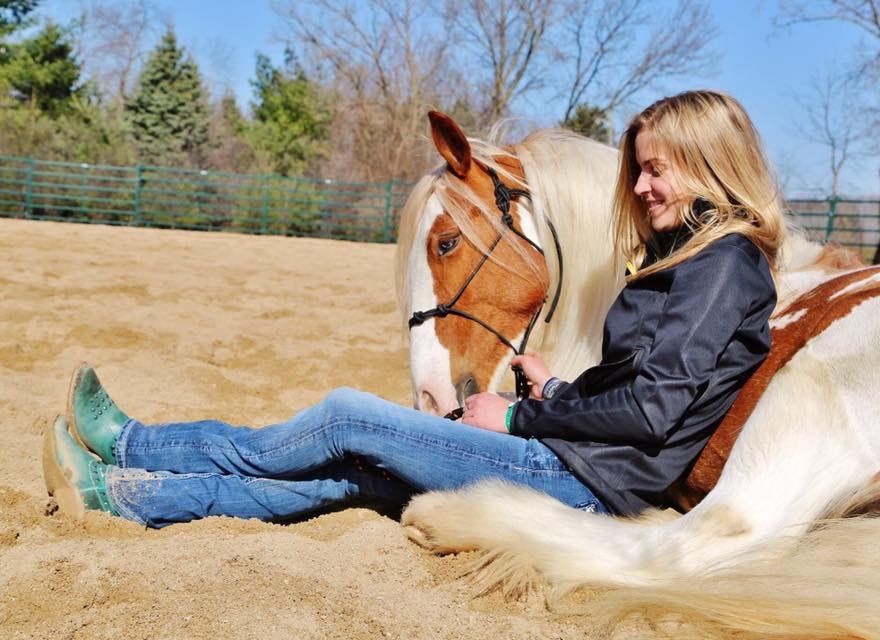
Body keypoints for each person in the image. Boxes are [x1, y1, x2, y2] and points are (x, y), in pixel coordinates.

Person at [43, 90, 784, 527]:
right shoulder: (693, 260)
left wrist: (520, 417)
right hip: (574, 462)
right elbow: (644, 386)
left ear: (711, 164)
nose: (644, 186)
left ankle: (136, 445)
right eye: (640, 169)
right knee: (348, 477)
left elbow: (655, 413)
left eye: (658, 168)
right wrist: (555, 388)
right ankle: (124, 494)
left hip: (574, 480)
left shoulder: (723, 266)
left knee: (345, 420)